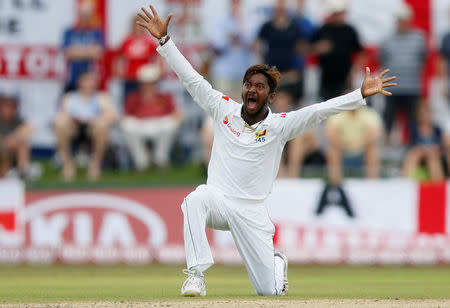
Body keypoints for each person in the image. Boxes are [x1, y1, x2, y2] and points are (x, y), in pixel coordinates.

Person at [136, 4, 396, 297]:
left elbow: (319, 111)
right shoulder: (223, 109)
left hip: (251, 213)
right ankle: (195, 275)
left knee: (268, 292)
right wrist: (165, 42)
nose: (251, 90)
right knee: (195, 198)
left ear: (270, 96)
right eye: (248, 85)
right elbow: (192, 79)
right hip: (218, 201)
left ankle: (275, 262)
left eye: (259, 86)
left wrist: (358, 94)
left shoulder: (280, 126)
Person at [54, 71, 116, 182]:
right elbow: (61, 115)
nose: (87, 84)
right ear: (79, 83)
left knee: (101, 125)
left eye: (90, 81)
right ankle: (68, 164)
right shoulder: (70, 98)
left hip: (92, 129)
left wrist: (94, 120)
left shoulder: (101, 98)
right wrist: (73, 119)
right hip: (74, 128)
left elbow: (111, 116)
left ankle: (95, 164)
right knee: (60, 124)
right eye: (85, 81)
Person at [379, 3, 426, 146]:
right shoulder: (387, 38)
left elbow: (422, 58)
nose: (401, 23)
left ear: (409, 20)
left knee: (413, 119)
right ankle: (387, 146)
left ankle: (413, 146)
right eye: (399, 19)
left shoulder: (419, 38)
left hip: (412, 86)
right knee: (388, 118)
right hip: (391, 86)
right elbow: (382, 58)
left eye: (404, 19)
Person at [121, 64, 182, 171]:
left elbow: (176, 114)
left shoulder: (164, 96)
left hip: (159, 124)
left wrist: (175, 118)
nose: (149, 86)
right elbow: (126, 116)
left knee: (171, 124)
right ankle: (141, 161)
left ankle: (160, 159)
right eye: (146, 83)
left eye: (151, 83)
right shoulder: (134, 97)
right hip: (140, 125)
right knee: (127, 125)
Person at [256, 0, 307, 104]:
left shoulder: (295, 27)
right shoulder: (267, 26)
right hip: (272, 72)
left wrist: (297, 69)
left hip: (290, 72)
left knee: (290, 106)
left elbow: (301, 48)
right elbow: (259, 46)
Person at [312, 0, 364, 100]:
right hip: (326, 78)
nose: (339, 16)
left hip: (345, 78)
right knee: (326, 107)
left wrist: (354, 71)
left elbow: (360, 52)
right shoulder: (323, 29)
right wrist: (318, 48)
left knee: (344, 106)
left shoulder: (350, 30)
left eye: (341, 13)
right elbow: (308, 49)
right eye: (336, 13)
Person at [325, 103, 383, 185]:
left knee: (372, 150)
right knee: (333, 150)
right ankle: (335, 184)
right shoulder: (337, 114)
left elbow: (375, 133)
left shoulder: (368, 113)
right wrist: (344, 144)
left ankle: (372, 184)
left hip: (363, 150)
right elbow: (330, 133)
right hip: (342, 150)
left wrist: (359, 143)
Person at [61, 0, 104, 93]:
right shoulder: (69, 32)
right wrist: (88, 51)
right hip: (71, 79)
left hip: (90, 82)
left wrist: (76, 51)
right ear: (78, 14)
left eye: (87, 14)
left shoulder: (96, 32)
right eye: (83, 14)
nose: (85, 17)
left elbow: (97, 54)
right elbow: (67, 54)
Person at [115, 15, 161, 100]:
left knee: (145, 101)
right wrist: (119, 71)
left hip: (145, 79)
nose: (137, 27)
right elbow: (118, 57)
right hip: (130, 77)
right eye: (135, 25)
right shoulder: (127, 41)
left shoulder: (149, 41)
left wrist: (159, 71)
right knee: (129, 101)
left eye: (140, 25)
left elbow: (158, 56)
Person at [402, 103, 444, 180]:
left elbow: (441, 145)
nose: (425, 115)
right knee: (415, 153)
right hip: (419, 154)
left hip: (433, 155)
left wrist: (432, 149)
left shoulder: (437, 128)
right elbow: (412, 145)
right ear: (418, 114)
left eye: (427, 113)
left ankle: (438, 184)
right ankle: (405, 181)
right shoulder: (413, 127)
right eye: (423, 113)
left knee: (432, 157)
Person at [0, 93, 34, 179]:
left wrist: (13, 138)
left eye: (11, 106)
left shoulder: (17, 120)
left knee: (22, 144)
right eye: (5, 106)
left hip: (12, 152)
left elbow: (30, 128)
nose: (8, 109)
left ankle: (22, 172)